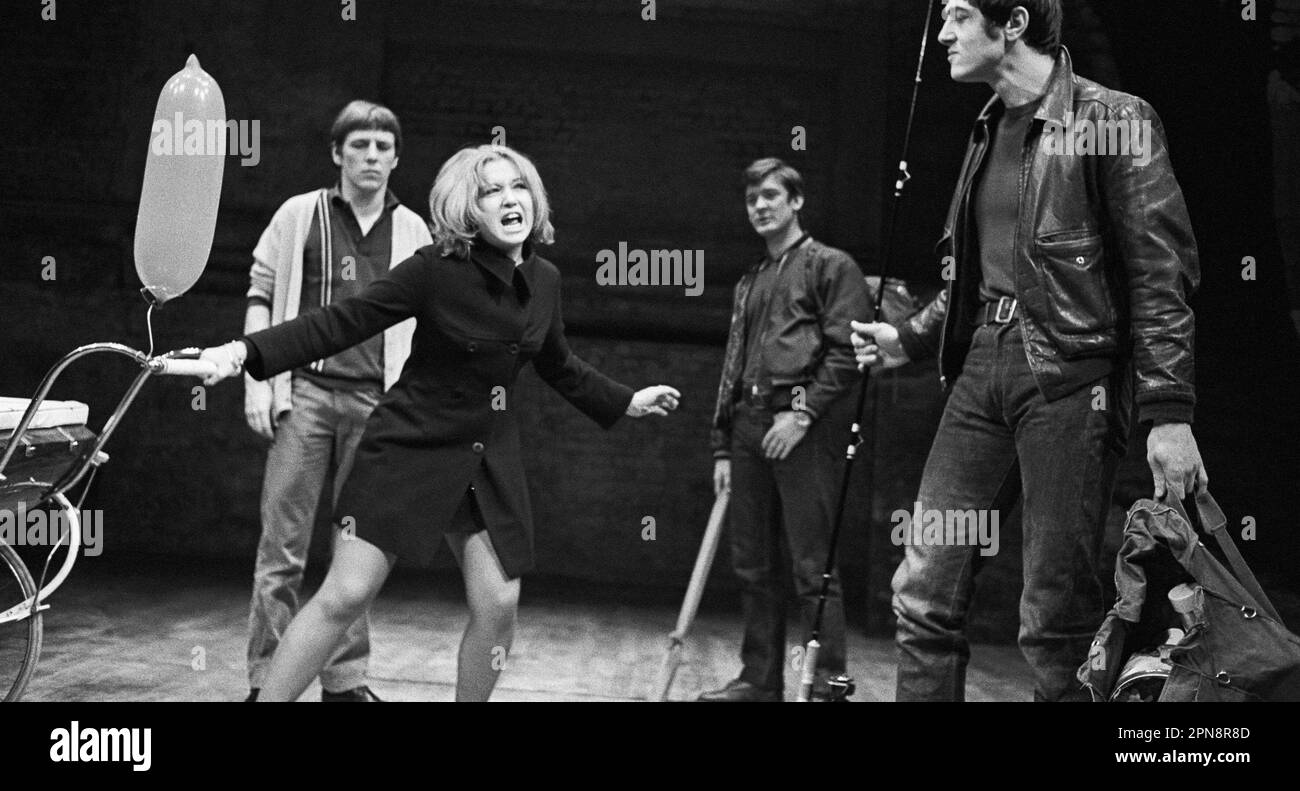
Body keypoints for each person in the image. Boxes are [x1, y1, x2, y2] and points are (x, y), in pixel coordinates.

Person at [201, 143, 680, 702]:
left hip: (485, 459)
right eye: (490, 191)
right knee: (346, 594)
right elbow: (342, 322)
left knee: (499, 605)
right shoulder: (435, 270)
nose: (508, 199)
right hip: (410, 445)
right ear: (466, 209)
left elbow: (558, 363)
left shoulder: (545, 279)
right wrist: (242, 354)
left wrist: (624, 400)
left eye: (517, 186)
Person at [851, 0, 1204, 701]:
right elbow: (976, 276)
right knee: (923, 589)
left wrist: (1168, 413)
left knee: (1053, 617)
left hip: (1070, 383)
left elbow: (1159, 273)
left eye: (956, 16)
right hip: (982, 370)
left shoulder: (1112, 119)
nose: (941, 32)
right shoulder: (987, 130)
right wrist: (908, 340)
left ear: (1013, 24)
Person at [243, 100, 431, 703]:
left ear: (396, 158)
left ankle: (346, 683)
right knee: (282, 549)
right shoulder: (301, 214)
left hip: (379, 406)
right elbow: (262, 292)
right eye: (360, 146)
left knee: (356, 552)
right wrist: (256, 378)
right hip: (306, 396)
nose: (371, 156)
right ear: (337, 153)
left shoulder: (415, 231)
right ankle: (266, 681)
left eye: (382, 147)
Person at [698, 158, 870, 702]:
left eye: (771, 195)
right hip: (748, 425)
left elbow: (849, 353)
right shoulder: (750, 278)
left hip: (801, 426)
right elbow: (733, 362)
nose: (760, 206)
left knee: (811, 565)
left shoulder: (831, 266)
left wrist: (801, 414)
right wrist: (723, 445)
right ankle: (759, 680)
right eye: (752, 199)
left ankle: (826, 683)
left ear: (796, 201)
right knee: (751, 563)